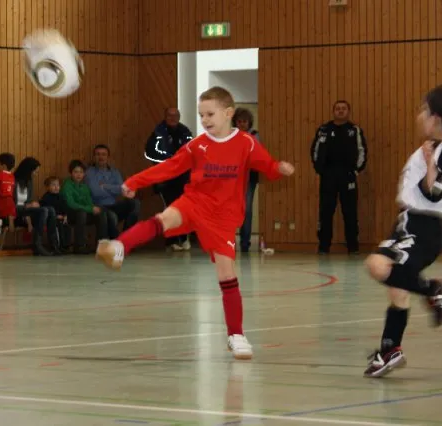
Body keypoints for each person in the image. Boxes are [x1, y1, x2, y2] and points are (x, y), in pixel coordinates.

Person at [96, 87, 295, 360]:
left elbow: (267, 166)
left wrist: (278, 169)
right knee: (164, 219)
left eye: (210, 114)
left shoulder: (246, 143)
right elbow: (169, 167)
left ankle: (236, 335)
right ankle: (119, 246)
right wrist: (135, 181)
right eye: (201, 115)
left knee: (227, 274)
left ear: (228, 113)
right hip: (194, 202)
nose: (205, 120)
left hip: (223, 218)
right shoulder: (197, 145)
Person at [363, 84, 442, 378]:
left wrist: (431, 164)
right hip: (421, 226)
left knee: (377, 265)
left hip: (420, 225)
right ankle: (390, 349)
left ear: (435, 119)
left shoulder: (440, 152)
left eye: (423, 110)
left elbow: (433, 192)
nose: (419, 115)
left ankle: (434, 289)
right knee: (398, 287)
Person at [310, 100, 367, 254]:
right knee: (326, 211)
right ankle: (324, 246)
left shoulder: (354, 130)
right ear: (333, 111)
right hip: (328, 176)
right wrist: (320, 170)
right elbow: (315, 151)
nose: (340, 111)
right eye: (338, 108)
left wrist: (355, 171)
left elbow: (362, 151)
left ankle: (353, 247)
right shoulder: (323, 130)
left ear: (348, 112)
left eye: (343, 108)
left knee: (350, 212)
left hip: (348, 176)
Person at [144, 107, 193, 251]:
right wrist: (170, 160)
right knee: (170, 208)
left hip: (182, 177)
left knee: (183, 208)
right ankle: (171, 240)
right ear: (165, 117)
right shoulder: (158, 133)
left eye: (175, 115)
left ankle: (184, 238)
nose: (172, 118)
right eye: (169, 116)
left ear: (179, 117)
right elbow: (150, 153)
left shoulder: (185, 132)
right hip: (165, 177)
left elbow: (192, 151)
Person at [13, 156, 60, 256]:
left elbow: (29, 200)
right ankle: (37, 245)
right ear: (28, 170)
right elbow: (12, 202)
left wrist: (32, 204)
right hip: (16, 211)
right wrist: (27, 206)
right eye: (35, 171)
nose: (36, 174)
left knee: (50, 209)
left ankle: (54, 245)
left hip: (27, 210)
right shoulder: (13, 180)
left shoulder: (29, 182)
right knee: (44, 211)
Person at [62, 159, 110, 254]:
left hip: (83, 214)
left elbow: (89, 203)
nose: (78, 175)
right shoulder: (67, 185)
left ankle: (101, 246)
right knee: (82, 213)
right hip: (69, 214)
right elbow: (71, 204)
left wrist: (94, 209)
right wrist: (90, 209)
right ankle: (79, 246)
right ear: (71, 173)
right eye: (76, 172)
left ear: (84, 174)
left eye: (81, 172)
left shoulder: (84, 187)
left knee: (101, 213)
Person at [232, 107, 261, 252]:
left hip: (249, 178)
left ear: (249, 122)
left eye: (244, 121)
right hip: (231, 178)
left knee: (247, 209)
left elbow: (258, 155)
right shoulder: (229, 135)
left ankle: (245, 242)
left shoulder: (255, 136)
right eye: (239, 121)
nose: (242, 124)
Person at [40, 176, 71, 253]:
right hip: (51, 219)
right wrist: (56, 216)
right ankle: (56, 246)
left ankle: (65, 246)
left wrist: (65, 216)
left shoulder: (61, 196)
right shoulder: (46, 197)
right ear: (47, 187)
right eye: (53, 185)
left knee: (66, 225)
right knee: (57, 226)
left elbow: (65, 207)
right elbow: (46, 210)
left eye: (57, 185)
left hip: (61, 217)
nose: (56, 187)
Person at [0, 152, 17, 234]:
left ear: (4, 166)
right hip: (10, 202)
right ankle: (10, 223)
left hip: (0, 201)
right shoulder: (12, 177)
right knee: (9, 217)